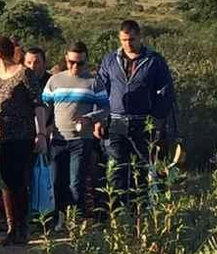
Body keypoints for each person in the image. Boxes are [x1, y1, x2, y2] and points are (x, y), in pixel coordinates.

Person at [93, 19, 179, 210]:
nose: (128, 44)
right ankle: (117, 214)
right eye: (124, 39)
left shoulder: (154, 61)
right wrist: (99, 118)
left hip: (142, 123)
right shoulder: (110, 60)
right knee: (116, 170)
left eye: (131, 39)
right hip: (115, 122)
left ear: (139, 36)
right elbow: (101, 90)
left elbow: (165, 93)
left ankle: (138, 214)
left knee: (140, 171)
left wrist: (157, 121)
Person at [0, 34, 49, 246]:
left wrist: (41, 134)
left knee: (19, 181)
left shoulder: (24, 74)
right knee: (4, 181)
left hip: (22, 135)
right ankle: (12, 227)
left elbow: (37, 104)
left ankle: (23, 227)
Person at [43, 42, 108, 221]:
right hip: (57, 138)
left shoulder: (94, 82)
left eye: (80, 63)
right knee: (57, 182)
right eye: (72, 62)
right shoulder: (54, 81)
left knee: (76, 183)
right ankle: (58, 219)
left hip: (81, 139)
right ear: (66, 59)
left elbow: (105, 108)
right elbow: (45, 106)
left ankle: (76, 220)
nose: (75, 66)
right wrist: (42, 129)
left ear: (86, 61)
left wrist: (90, 118)